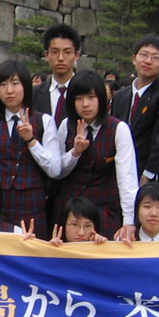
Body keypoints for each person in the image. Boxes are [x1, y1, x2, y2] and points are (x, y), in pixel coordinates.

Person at [52, 69, 137, 240]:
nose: (85, 104)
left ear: (101, 98)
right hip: (70, 212)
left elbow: (126, 177)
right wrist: (75, 152)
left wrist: (129, 220)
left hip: (104, 210)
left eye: (91, 97)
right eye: (79, 98)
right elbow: (58, 171)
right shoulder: (66, 126)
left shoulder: (118, 129)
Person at [0, 60, 60, 236]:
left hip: (32, 204)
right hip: (0, 204)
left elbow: (55, 169)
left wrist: (31, 141)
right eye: (3, 85)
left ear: (25, 86)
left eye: (15, 83)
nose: (9, 90)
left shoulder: (44, 121)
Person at [110, 35, 159, 188]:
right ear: (134, 59)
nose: (148, 61)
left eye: (155, 57)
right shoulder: (120, 96)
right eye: (143, 55)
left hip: (149, 175)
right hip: (118, 172)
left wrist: (149, 173)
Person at [32, 23, 81, 126]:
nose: (61, 58)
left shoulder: (85, 93)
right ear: (46, 55)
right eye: (55, 52)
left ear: (76, 55)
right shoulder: (34, 94)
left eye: (67, 52)